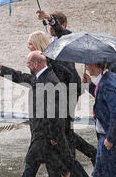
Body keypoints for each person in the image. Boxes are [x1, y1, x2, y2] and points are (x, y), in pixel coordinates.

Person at [0, 51, 75, 177]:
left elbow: (54, 114)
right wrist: (3, 69)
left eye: (29, 63)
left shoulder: (48, 81)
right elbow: (22, 77)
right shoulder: (40, 77)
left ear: (36, 64)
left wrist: (53, 136)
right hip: (42, 130)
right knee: (62, 159)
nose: (27, 66)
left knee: (31, 163)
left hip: (43, 132)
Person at [26, 31, 96, 177]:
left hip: (62, 107)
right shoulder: (43, 62)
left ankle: (71, 174)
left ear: (38, 45)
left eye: (30, 44)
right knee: (62, 138)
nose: (28, 47)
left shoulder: (56, 61)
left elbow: (72, 82)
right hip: (57, 107)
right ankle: (60, 176)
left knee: (62, 139)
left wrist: (64, 102)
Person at [36, 10, 98, 165]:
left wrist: (50, 19)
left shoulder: (67, 37)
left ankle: (75, 163)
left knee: (65, 130)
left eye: (55, 24)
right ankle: (86, 156)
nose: (51, 28)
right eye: (50, 25)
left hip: (70, 89)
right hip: (61, 88)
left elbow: (61, 31)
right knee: (65, 130)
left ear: (62, 25)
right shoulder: (52, 40)